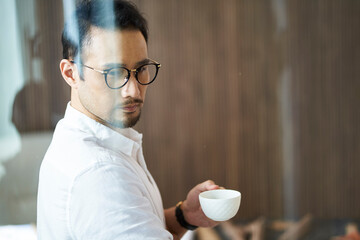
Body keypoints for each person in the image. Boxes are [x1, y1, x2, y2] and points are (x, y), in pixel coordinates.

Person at [37, 0, 221, 239]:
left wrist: (184, 215)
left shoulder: (79, 139)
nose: (133, 91)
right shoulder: (99, 175)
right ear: (71, 73)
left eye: (141, 69)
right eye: (114, 73)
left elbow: (132, 222)